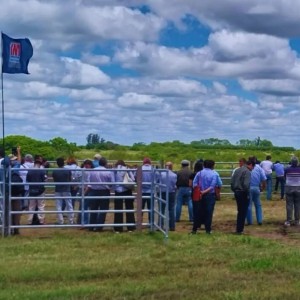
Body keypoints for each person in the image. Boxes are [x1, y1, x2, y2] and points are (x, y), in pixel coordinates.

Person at [86, 157, 114, 232]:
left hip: (93, 191)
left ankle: (91, 226)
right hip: (104, 191)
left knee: (93, 209)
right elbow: (112, 183)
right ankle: (99, 227)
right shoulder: (108, 172)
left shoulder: (92, 171)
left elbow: (89, 182)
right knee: (103, 209)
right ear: (105, 163)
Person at [192, 159, 218, 234]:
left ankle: (194, 229)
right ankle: (208, 230)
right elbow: (212, 186)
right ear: (212, 166)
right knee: (209, 213)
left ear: (204, 165)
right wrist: (204, 192)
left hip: (199, 195)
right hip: (210, 195)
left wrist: (200, 191)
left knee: (198, 212)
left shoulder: (199, 173)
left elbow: (194, 184)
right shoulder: (214, 174)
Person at [231, 159, 254, 234]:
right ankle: (240, 229)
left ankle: (239, 228)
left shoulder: (237, 170)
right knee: (243, 212)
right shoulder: (247, 172)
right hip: (243, 192)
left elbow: (232, 182)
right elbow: (246, 184)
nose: (252, 169)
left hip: (237, 192)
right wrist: (247, 193)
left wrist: (234, 190)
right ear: (250, 165)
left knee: (240, 211)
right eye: (252, 167)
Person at [114, 160, 136, 233]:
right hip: (127, 190)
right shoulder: (127, 169)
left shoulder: (114, 170)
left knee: (118, 209)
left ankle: (118, 228)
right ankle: (130, 227)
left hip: (118, 190)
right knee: (129, 208)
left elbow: (112, 180)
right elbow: (132, 179)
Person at [52, 157, 74, 225]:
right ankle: (71, 221)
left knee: (58, 205)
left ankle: (60, 221)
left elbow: (54, 180)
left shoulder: (55, 171)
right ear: (63, 163)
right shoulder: (68, 170)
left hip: (58, 189)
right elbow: (70, 179)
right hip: (66, 189)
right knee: (69, 205)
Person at [247, 156, 267, 226]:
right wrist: (263, 187)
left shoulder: (247, 168)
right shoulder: (259, 168)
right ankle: (259, 220)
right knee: (258, 204)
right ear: (255, 160)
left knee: (249, 205)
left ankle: (249, 221)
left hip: (248, 188)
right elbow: (264, 179)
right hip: (256, 188)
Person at [26, 159, 46, 225]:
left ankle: (29, 221)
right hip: (40, 190)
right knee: (41, 206)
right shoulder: (42, 171)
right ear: (40, 164)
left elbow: (27, 180)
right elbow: (44, 180)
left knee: (31, 206)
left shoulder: (30, 171)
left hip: (32, 190)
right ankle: (41, 220)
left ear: (34, 163)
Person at [159, 161, 177, 231]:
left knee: (161, 209)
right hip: (171, 192)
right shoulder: (174, 175)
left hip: (163, 192)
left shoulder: (161, 174)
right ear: (171, 167)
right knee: (171, 209)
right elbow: (174, 185)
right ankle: (172, 226)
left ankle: (160, 225)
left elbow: (158, 182)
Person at [284, 156, 300, 226]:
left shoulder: (287, 169)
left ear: (291, 162)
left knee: (289, 205)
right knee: (298, 204)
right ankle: (297, 221)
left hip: (289, 188)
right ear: (297, 163)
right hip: (298, 188)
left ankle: (289, 221)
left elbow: (285, 177)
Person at [77, 159, 93, 226]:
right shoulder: (90, 171)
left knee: (83, 206)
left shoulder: (82, 170)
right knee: (86, 206)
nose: (87, 166)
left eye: (87, 164)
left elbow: (78, 178)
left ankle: (81, 221)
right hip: (87, 188)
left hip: (83, 188)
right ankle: (85, 222)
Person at [190, 160, 204, 233]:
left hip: (195, 192)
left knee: (195, 208)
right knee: (203, 208)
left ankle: (196, 223)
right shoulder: (203, 174)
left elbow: (190, 184)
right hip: (203, 192)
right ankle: (203, 221)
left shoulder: (193, 174)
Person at [141, 157, 154, 224]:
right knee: (151, 208)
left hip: (142, 191)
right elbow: (156, 179)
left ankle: (140, 222)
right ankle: (151, 222)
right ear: (150, 162)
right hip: (150, 191)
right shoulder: (153, 169)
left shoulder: (140, 169)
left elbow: (135, 177)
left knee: (141, 208)